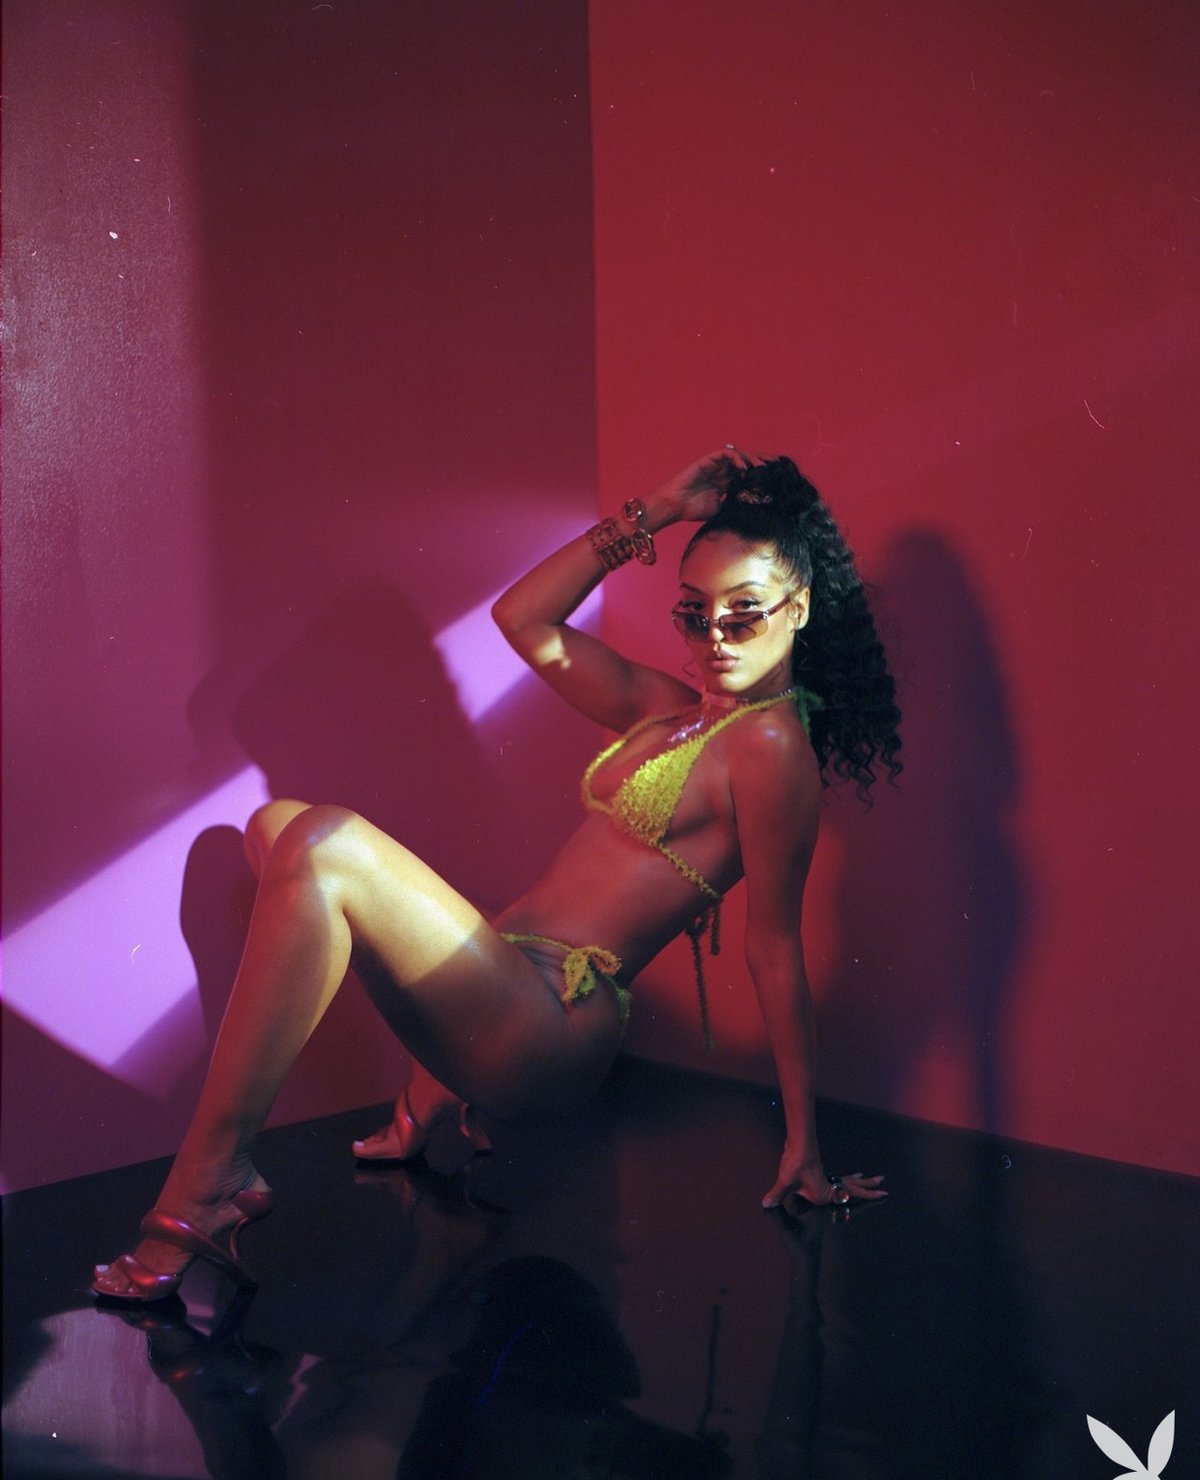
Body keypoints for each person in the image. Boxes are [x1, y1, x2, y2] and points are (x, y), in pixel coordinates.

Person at [93, 448, 901, 1303]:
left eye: (743, 614)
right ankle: (431, 1092)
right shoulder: (672, 711)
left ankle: (206, 1188)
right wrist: (654, 511)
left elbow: (774, 946)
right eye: (694, 613)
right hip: (502, 982)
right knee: (275, 826)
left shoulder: (771, 748)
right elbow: (523, 618)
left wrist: (803, 1144)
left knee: (323, 841)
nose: (714, 639)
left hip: (553, 1026)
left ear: (797, 608)